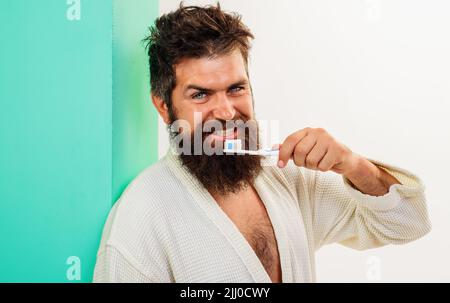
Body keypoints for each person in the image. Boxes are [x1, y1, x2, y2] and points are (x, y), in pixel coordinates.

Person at [93, 3, 431, 283]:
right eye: (200, 94)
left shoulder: (287, 178)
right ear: (164, 106)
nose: (226, 111)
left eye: (236, 88)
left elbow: (407, 222)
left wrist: (352, 165)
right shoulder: (141, 219)